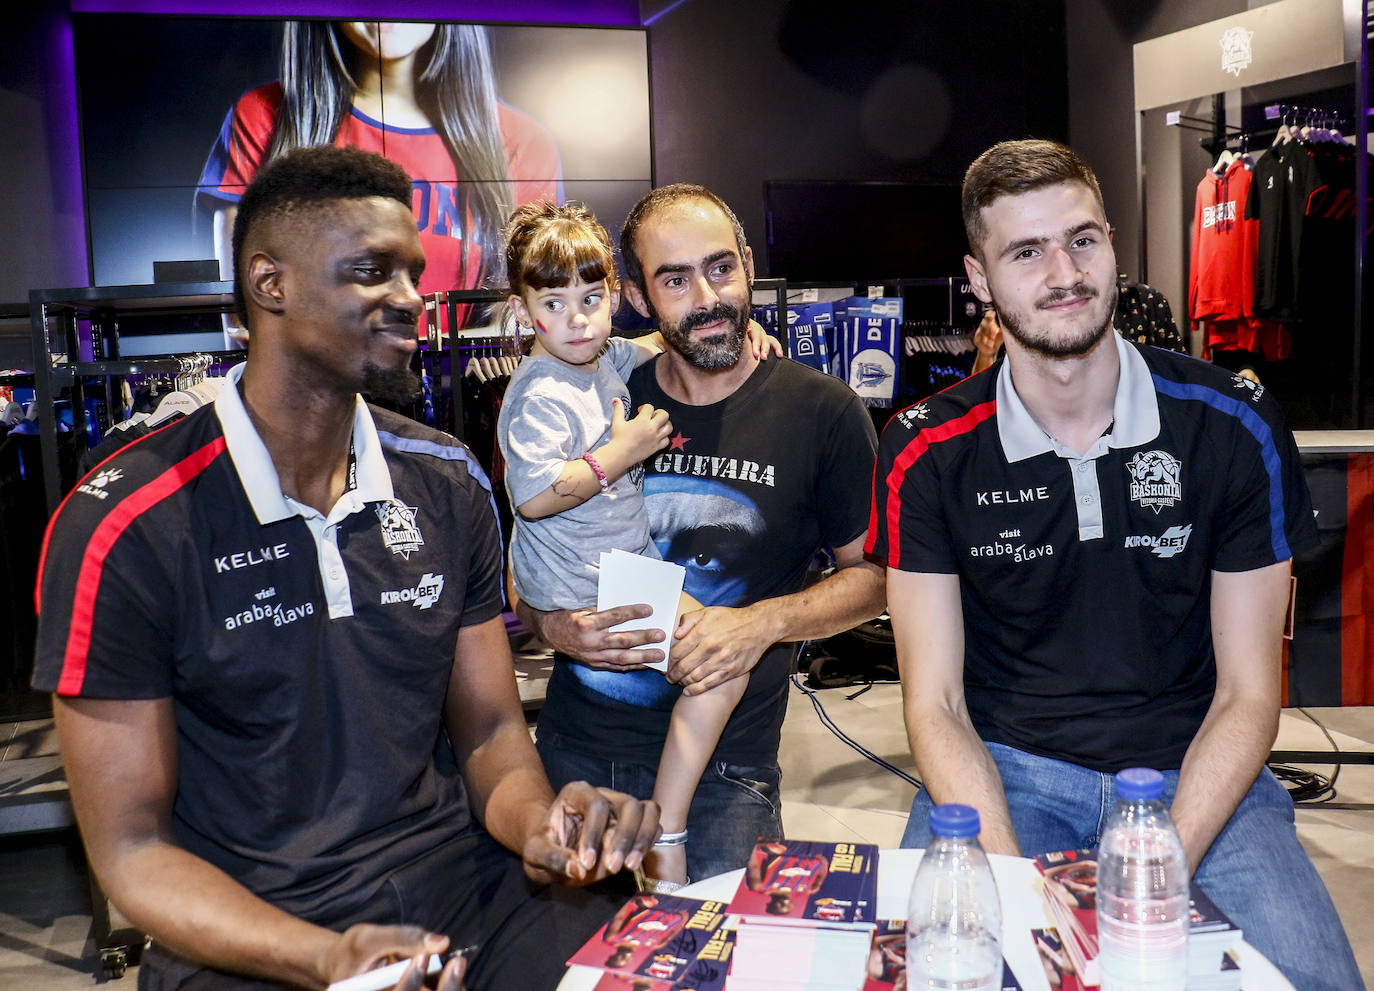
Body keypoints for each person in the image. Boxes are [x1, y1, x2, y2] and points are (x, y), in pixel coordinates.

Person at [32, 146, 657, 991]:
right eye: (372, 271)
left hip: (459, 887)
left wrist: (546, 826)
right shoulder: (123, 524)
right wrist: (328, 959)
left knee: (639, 947)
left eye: (412, 272)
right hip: (256, 928)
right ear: (270, 283)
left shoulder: (447, 479)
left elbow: (489, 735)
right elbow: (132, 853)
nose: (408, 297)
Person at [867, 138, 1362, 991]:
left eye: (1083, 239)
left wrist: (1159, 863)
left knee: (1315, 981)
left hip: (1202, 771)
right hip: (1008, 772)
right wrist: (1019, 890)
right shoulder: (924, 449)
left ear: (1112, 244)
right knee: (946, 978)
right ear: (979, 278)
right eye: (1026, 251)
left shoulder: (1231, 425)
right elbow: (937, 705)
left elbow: (1250, 695)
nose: (1065, 272)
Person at [519, 183, 886, 882]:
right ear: (636, 295)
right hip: (573, 754)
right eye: (675, 279)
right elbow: (524, 565)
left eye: (721, 268)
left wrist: (760, 624)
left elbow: (873, 579)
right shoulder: (594, 394)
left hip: (725, 775)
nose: (708, 298)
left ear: (749, 263)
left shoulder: (824, 412)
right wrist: (556, 627)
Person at [496, 201, 779, 885]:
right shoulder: (539, 391)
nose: (577, 319)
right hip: (583, 582)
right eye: (555, 303)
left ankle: (670, 825)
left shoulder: (601, 357)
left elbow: (657, 343)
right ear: (522, 306)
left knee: (717, 658)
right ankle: (671, 832)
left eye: (591, 300)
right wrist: (617, 454)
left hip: (609, 568)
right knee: (721, 662)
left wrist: (747, 326)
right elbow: (531, 495)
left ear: (615, 297)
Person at [198, 20, 561, 343]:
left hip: (472, 393)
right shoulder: (267, 114)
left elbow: (539, 313)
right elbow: (244, 325)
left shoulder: (521, 140)